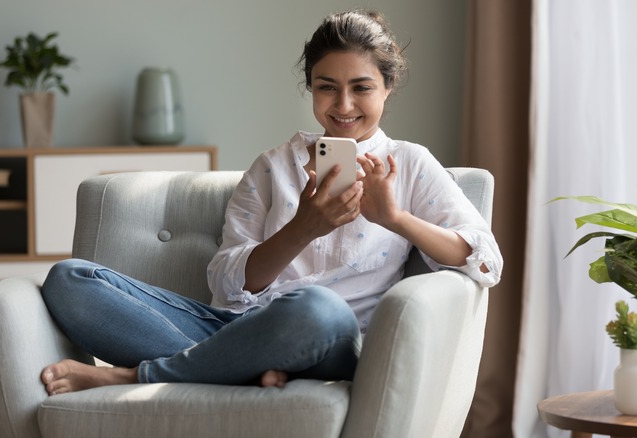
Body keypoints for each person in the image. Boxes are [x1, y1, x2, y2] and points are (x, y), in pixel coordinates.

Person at [40, 9, 503, 395]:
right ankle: (241, 367)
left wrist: (396, 218)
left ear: (387, 88)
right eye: (327, 87)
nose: (343, 105)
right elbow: (226, 286)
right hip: (234, 328)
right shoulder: (271, 168)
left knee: (315, 307)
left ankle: (133, 376)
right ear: (311, 87)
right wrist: (303, 227)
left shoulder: (412, 164)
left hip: (329, 336)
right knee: (70, 278)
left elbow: (485, 262)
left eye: (361, 87)